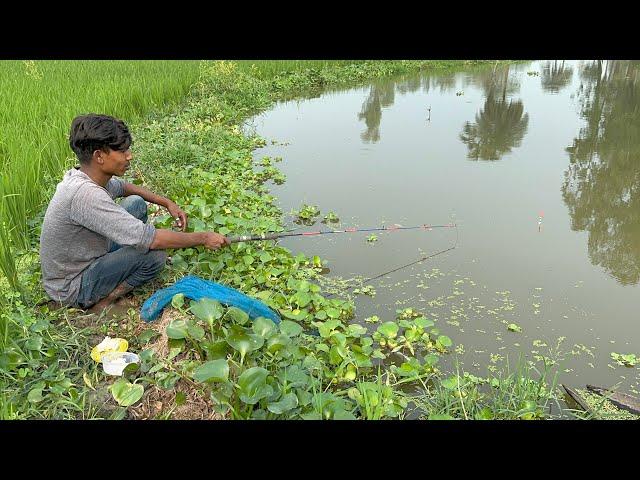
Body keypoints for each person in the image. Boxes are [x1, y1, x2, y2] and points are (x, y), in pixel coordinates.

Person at [40, 113, 229, 313]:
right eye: (122, 150)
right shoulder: (85, 195)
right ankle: (104, 302)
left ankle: (110, 276)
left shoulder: (86, 176)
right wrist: (204, 237)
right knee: (154, 256)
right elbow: (151, 239)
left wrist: (166, 202)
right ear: (99, 156)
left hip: (87, 254)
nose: (129, 155)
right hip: (71, 287)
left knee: (136, 204)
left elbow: (124, 188)